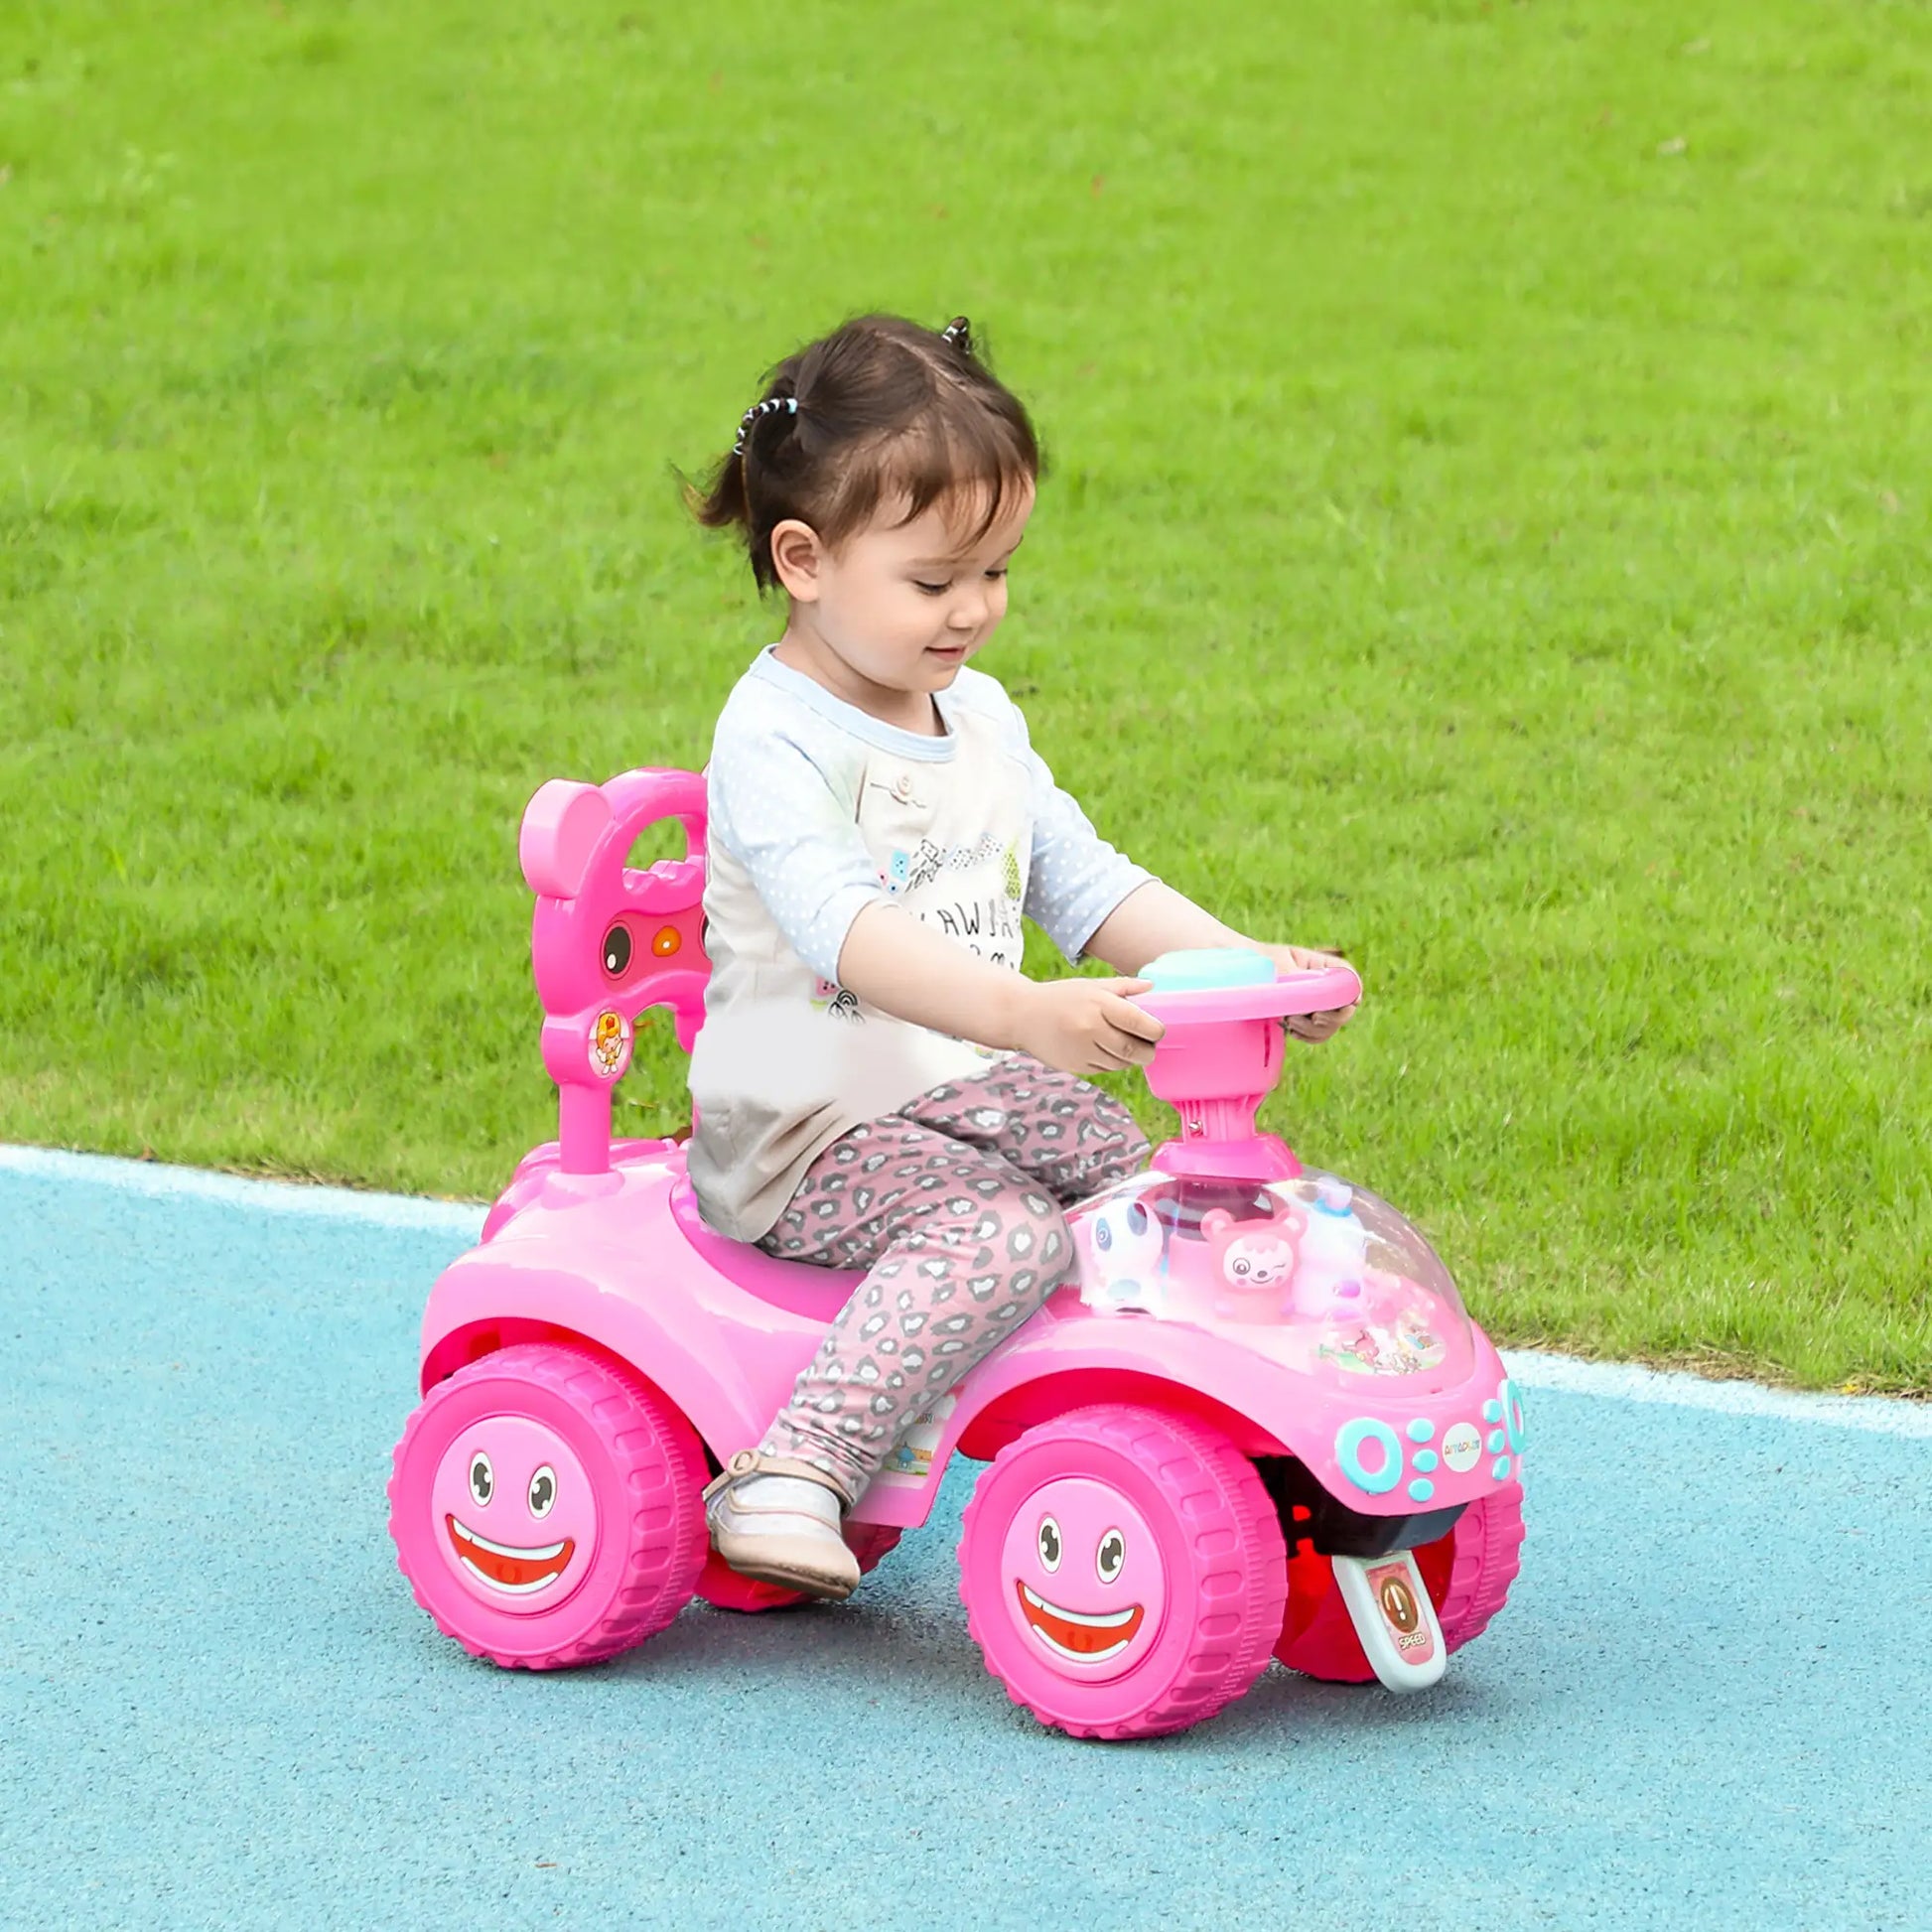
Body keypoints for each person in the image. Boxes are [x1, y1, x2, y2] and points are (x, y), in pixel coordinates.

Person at [685, 313, 1353, 1599]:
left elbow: (1085, 883)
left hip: (948, 1081)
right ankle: (798, 1465)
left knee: (1137, 1187)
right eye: (935, 581)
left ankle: (1151, 1436)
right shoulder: (774, 738)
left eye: (995, 572)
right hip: (803, 1120)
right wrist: (1023, 1014)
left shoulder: (976, 714)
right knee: (999, 1230)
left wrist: (1240, 962)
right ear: (805, 559)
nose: (973, 610)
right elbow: (850, 935)